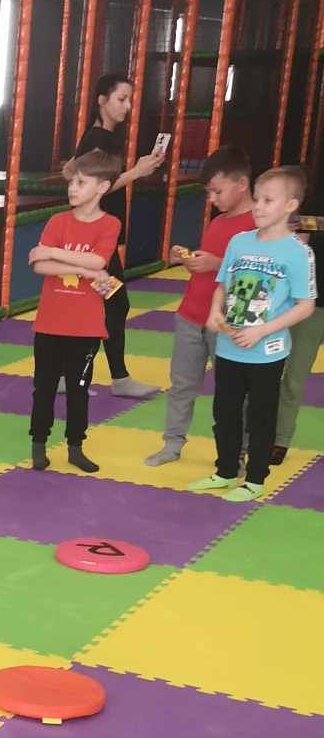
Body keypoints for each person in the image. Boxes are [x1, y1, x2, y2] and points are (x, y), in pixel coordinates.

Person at [189, 164, 316, 502]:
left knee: (260, 415)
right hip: (229, 346)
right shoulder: (239, 242)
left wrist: (262, 331)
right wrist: (215, 312)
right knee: (225, 413)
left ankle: (256, 478)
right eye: (257, 199)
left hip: (266, 351)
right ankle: (225, 471)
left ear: (290, 206)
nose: (258, 207)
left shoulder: (298, 252)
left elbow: (305, 305)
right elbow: (222, 285)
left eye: (268, 200)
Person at [145, 145, 255, 467]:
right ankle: (172, 443)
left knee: (233, 392)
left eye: (217, 191)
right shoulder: (218, 222)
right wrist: (189, 258)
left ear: (242, 184)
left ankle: (238, 451)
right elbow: (209, 267)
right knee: (181, 384)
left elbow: (257, 274)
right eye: (209, 192)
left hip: (229, 322)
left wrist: (215, 263)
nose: (212, 198)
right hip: (191, 314)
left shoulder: (257, 224)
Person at [26, 150, 124, 472]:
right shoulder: (58, 221)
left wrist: (53, 253)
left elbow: (99, 261)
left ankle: (75, 446)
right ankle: (38, 444)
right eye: (71, 182)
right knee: (44, 387)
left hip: (85, 327)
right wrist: (82, 268)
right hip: (50, 323)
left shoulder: (110, 224)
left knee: (78, 390)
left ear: (102, 188)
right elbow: (39, 266)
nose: (72, 188)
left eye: (81, 183)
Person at [74, 73, 167, 399]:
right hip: (93, 237)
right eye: (121, 99)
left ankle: (80, 374)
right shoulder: (98, 138)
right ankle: (112, 377)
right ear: (102, 100)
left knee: (106, 304)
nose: (127, 106)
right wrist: (136, 172)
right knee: (113, 303)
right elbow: (92, 187)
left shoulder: (106, 137)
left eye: (129, 100)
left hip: (103, 235)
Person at [271, 207, 324, 465]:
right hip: (311, 305)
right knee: (294, 375)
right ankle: (280, 439)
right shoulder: (314, 200)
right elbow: (297, 233)